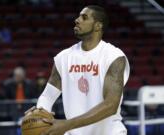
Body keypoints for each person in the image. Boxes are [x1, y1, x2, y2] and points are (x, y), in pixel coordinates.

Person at [29, 5, 130, 135]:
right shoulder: (63, 58)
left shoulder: (114, 57)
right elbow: (47, 96)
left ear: (98, 26)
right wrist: (39, 113)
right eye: (78, 16)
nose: (77, 20)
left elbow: (110, 106)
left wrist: (66, 125)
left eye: (84, 17)